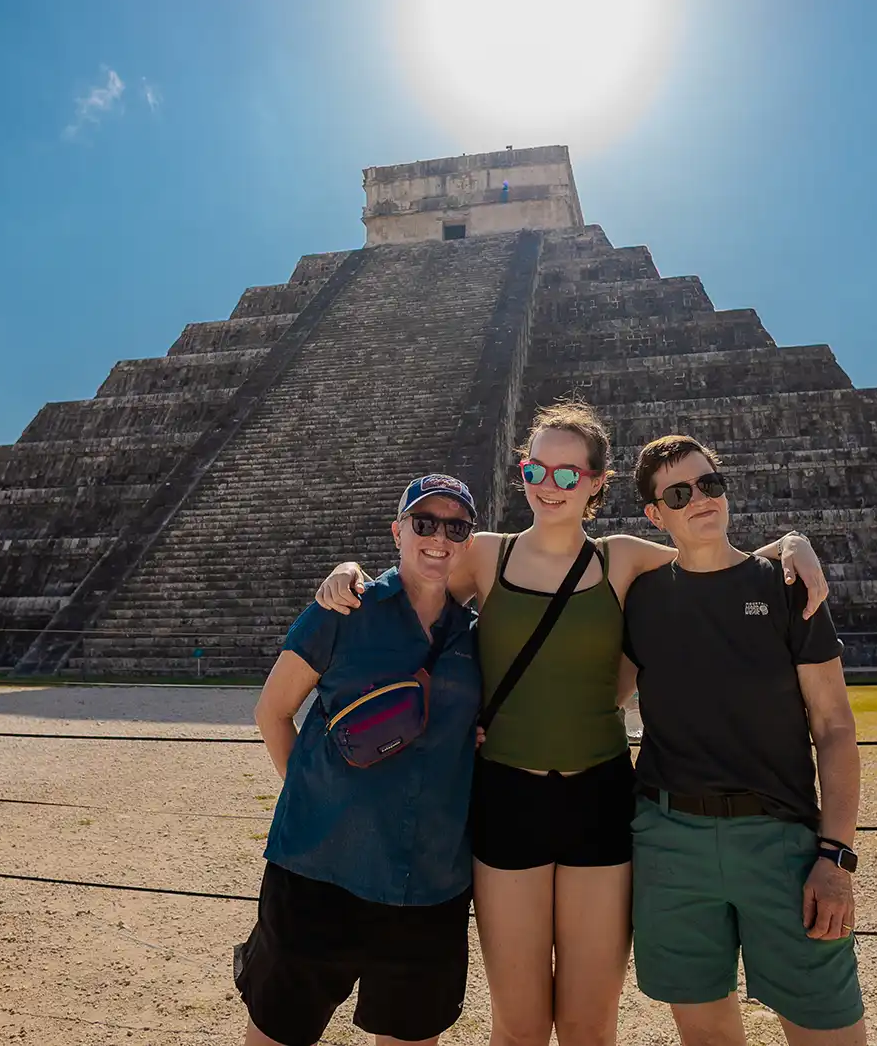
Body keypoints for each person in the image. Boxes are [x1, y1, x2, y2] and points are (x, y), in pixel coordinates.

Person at [314, 400, 831, 1046]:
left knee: (590, 1027)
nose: (548, 487)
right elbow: (413, 576)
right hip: (507, 800)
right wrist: (350, 571)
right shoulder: (485, 557)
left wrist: (792, 543)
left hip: (600, 801)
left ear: (594, 484)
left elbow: (715, 557)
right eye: (537, 471)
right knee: (520, 1026)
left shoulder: (621, 559)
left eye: (567, 474)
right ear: (523, 474)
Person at [622, 434, 866, 1045]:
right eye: (679, 493)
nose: (700, 499)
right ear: (655, 515)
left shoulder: (787, 587)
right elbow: (598, 696)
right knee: (704, 1034)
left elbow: (834, 726)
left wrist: (835, 856)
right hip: (669, 839)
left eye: (710, 484)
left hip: (781, 843)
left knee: (828, 1028)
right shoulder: (642, 598)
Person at [238, 473, 483, 1046]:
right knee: (279, 1032)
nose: (438, 538)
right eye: (423, 523)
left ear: (469, 540)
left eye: (455, 526)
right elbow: (272, 712)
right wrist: (315, 801)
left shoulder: (476, 638)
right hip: (321, 869)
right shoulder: (344, 609)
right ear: (397, 532)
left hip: (428, 882)